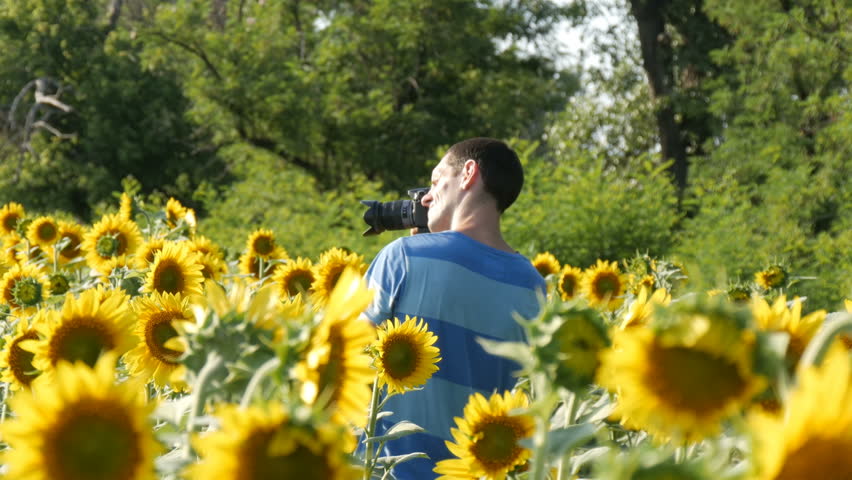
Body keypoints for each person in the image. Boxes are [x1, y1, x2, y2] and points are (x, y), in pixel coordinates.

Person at [363, 137, 546, 479]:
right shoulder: (533, 286)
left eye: (435, 182)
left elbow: (349, 359)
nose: (427, 197)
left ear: (468, 174)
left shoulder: (404, 256)